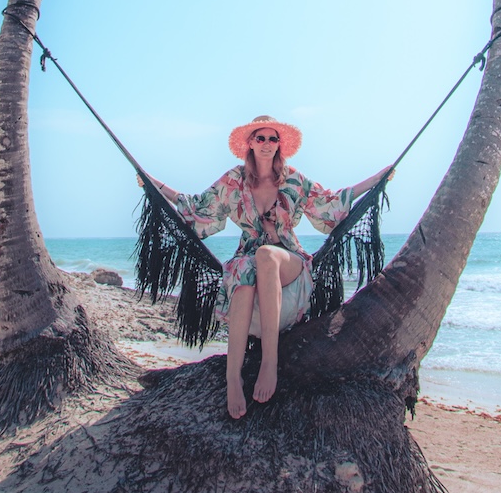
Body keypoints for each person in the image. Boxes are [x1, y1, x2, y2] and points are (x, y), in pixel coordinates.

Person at [147, 114, 393, 420]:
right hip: (248, 269)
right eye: (260, 138)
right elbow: (195, 206)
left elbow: (332, 201)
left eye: (272, 139)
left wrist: (378, 179)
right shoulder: (234, 181)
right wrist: (152, 184)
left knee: (265, 255)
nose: (266, 144)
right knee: (243, 272)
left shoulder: (294, 180)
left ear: (280, 145)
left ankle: (268, 362)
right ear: (249, 144)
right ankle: (233, 376)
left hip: (287, 264)